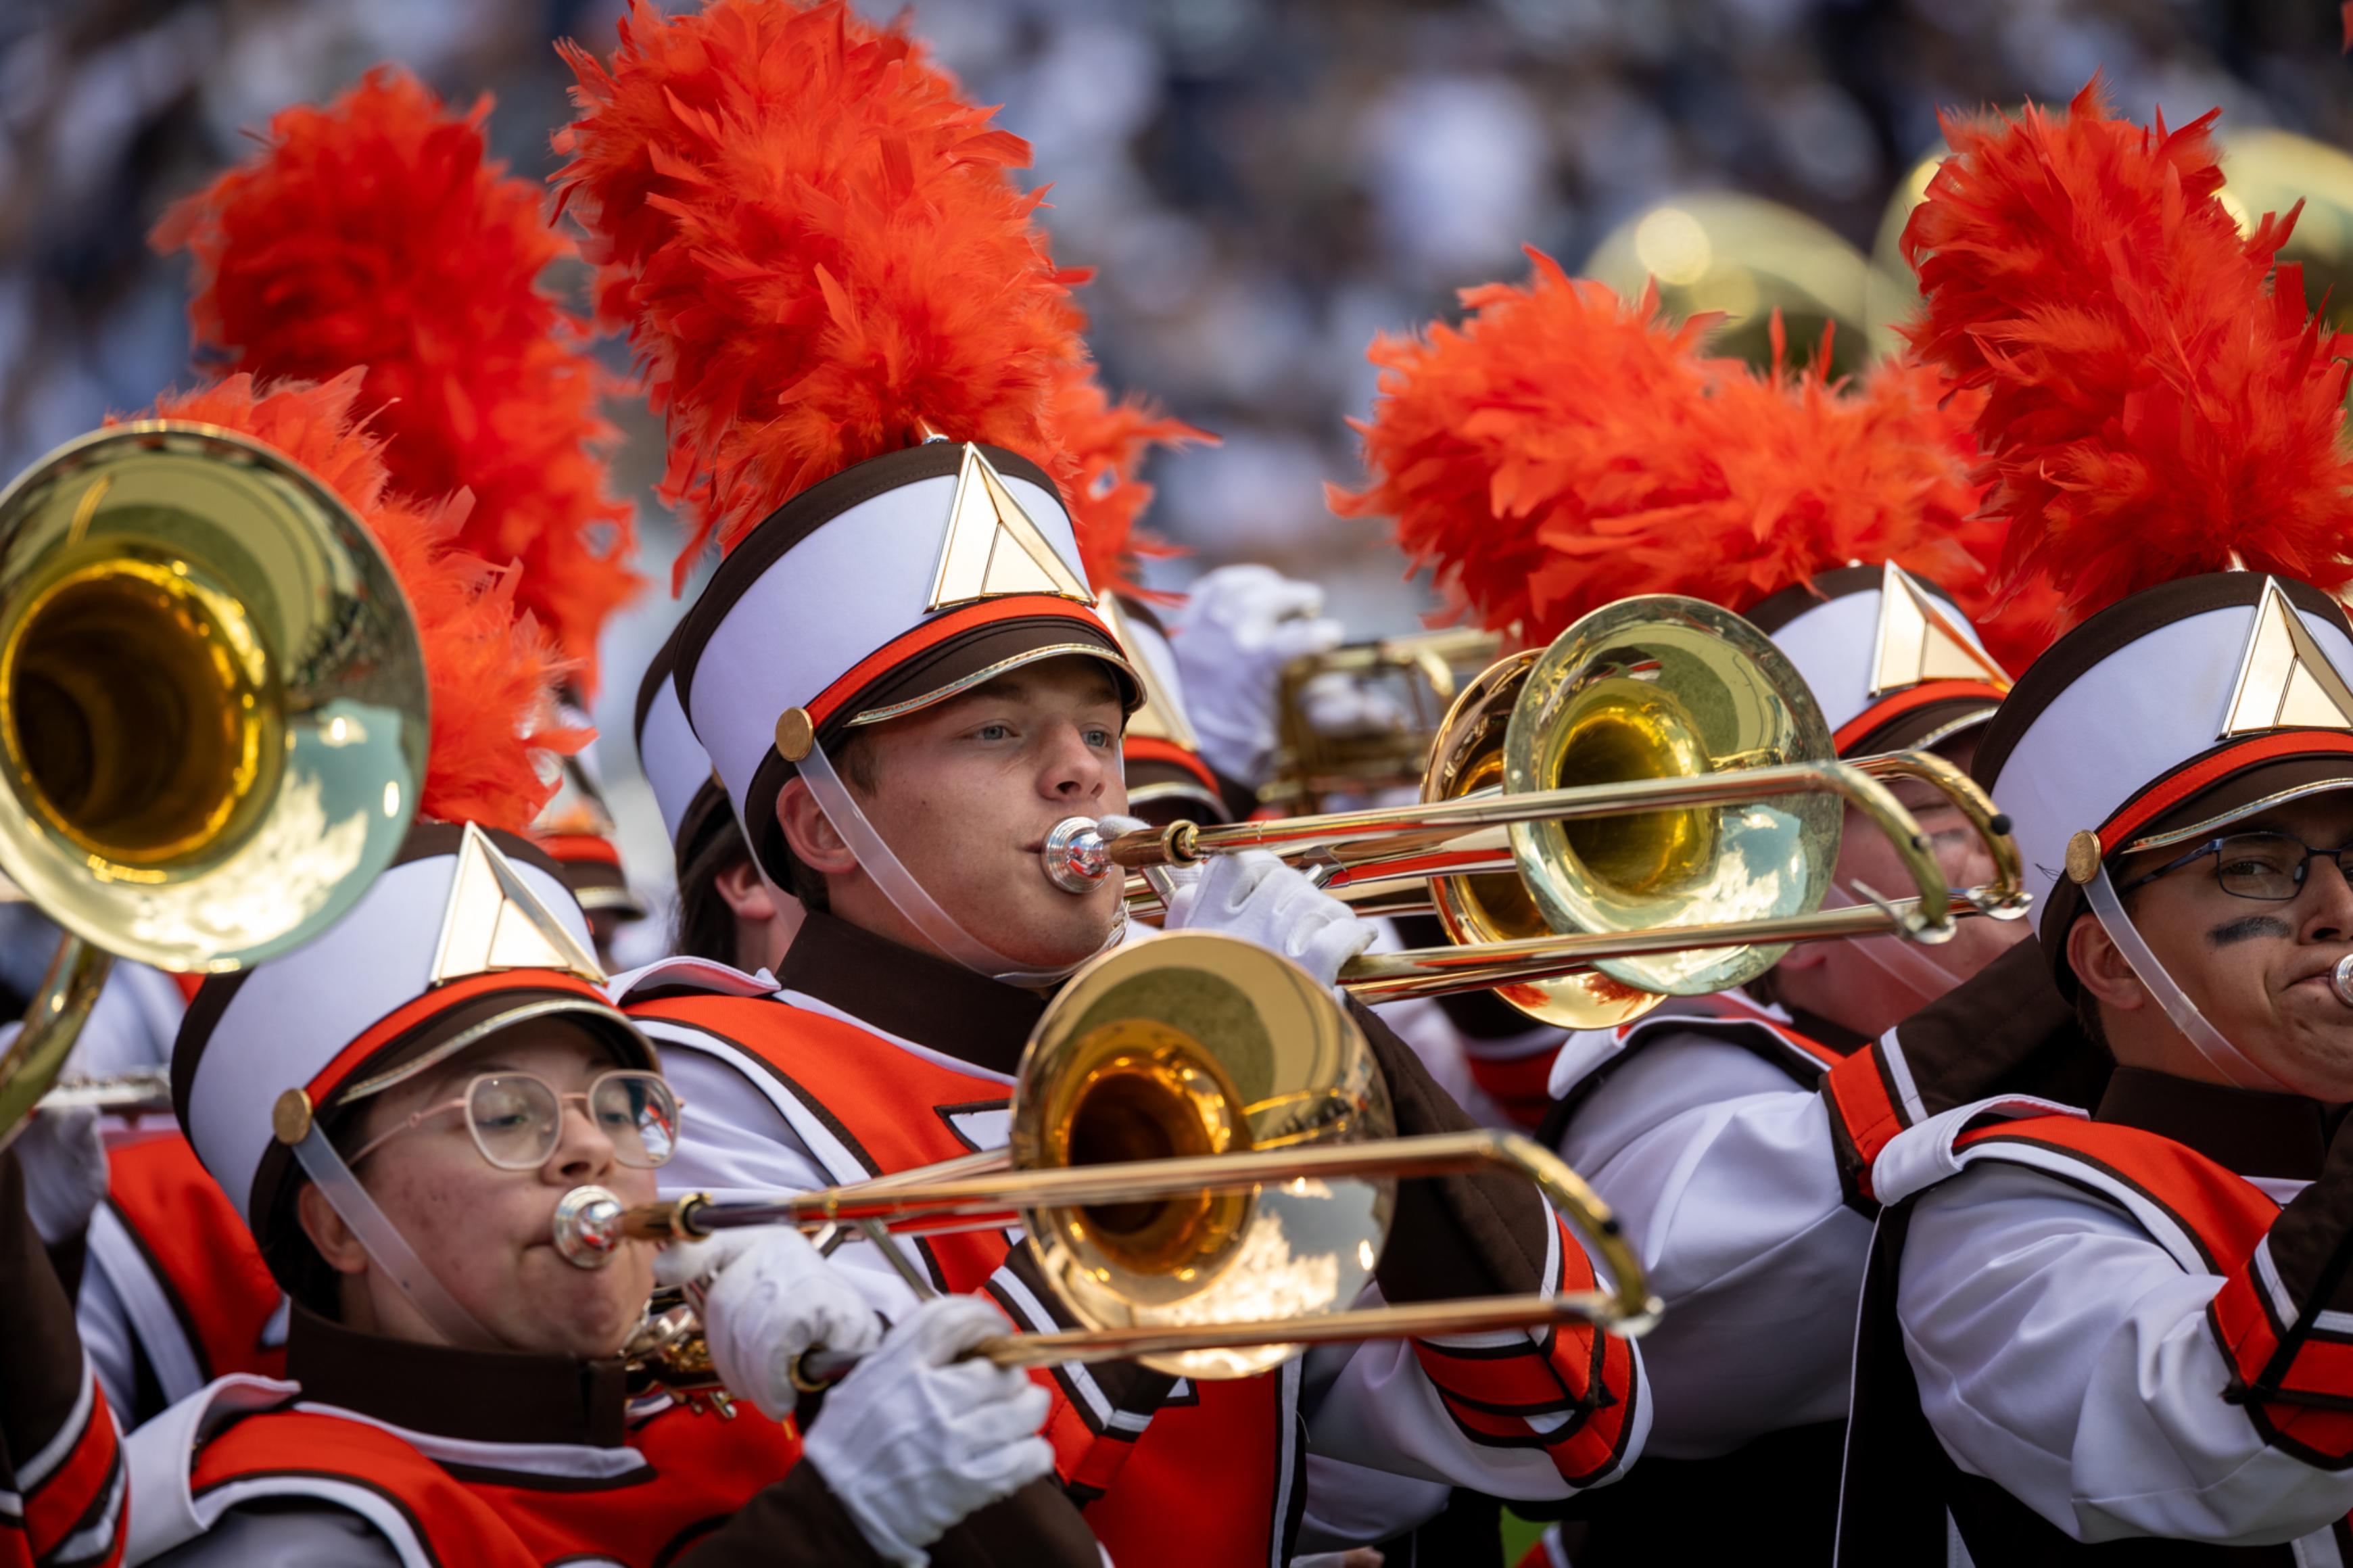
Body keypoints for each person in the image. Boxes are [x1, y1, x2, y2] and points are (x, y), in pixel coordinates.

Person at [555, 4, 1648, 1560]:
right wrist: (1193, 1152)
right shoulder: (701, 1081)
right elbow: (913, 1499)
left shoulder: (1211, 1034)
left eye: (1098, 714)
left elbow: (1571, 1412)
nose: (1081, 763)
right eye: (992, 731)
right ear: (814, 824)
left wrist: (1344, 1048)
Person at [1333, 250, 2029, 1561]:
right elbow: (1676, 1306)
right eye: (1933, 810)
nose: (2005, 848)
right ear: (1781, 885)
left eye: (2005, 791)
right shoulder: (1689, 1071)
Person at [1828, 81, 2353, 1561]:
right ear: (2108, 956)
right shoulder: (2009, 1215)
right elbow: (2243, 1442)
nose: (2339, 908)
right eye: (2258, 859)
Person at [128, 822, 1092, 1567]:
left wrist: (859, 1364)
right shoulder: (296, 1519)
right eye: (507, 1116)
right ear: (339, 1222)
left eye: (623, 1106)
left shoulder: (737, 1431)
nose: (590, 1148)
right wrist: (834, 1526)